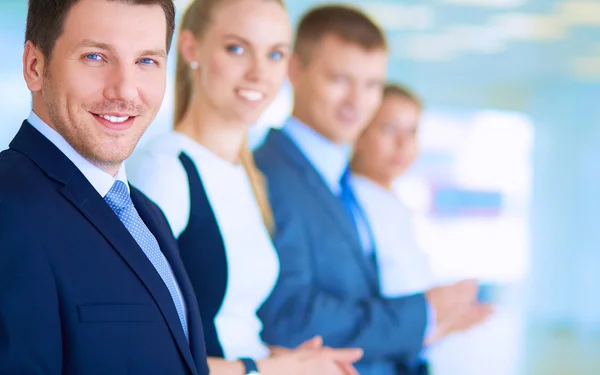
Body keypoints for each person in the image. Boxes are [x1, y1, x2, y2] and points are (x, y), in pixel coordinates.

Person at [127, 1, 362, 374]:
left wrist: (296, 361)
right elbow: (134, 352)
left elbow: (231, 328)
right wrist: (270, 370)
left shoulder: (246, 174)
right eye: (237, 49)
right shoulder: (166, 170)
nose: (259, 73)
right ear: (191, 49)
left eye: (275, 54)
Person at [254, 5, 483, 375]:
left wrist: (433, 324)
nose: (357, 102)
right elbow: (290, 316)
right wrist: (421, 313)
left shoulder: (345, 180)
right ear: (295, 71)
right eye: (339, 80)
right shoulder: (268, 174)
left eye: (372, 84)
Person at [0, 0, 210, 374]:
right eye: (96, 57)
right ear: (34, 66)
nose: (125, 91)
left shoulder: (146, 214)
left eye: (146, 61)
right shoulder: (7, 209)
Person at [350, 83, 493, 329]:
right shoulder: (348, 202)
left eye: (412, 132)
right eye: (389, 129)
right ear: (359, 132)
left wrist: (446, 316)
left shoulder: (395, 201)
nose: (403, 144)